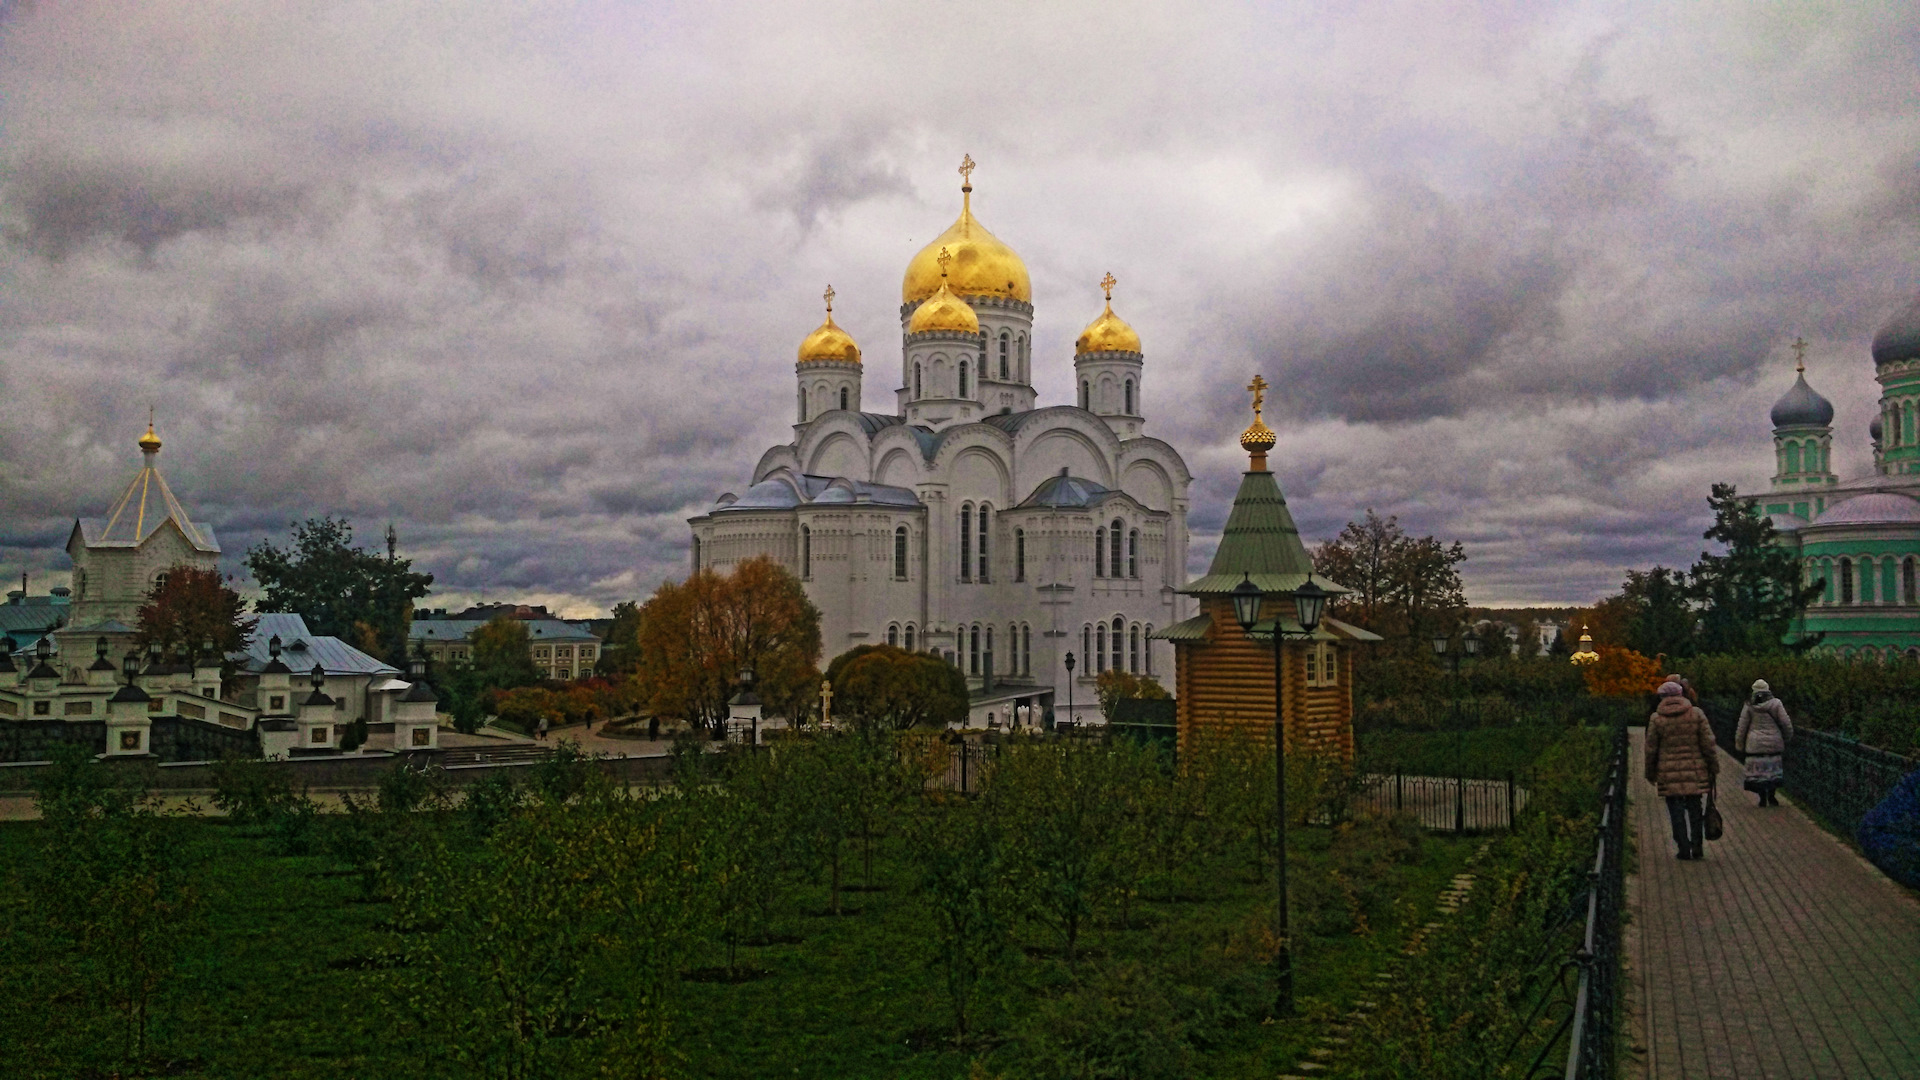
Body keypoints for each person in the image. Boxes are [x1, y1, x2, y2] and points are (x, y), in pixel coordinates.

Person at [1646, 680, 1718, 860]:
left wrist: (1650, 772)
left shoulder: (1657, 719)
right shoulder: (1696, 714)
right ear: (1681, 694)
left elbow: (1651, 749)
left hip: (1668, 770)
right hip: (1694, 769)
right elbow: (1708, 743)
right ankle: (1697, 845)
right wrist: (1713, 765)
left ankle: (1683, 847)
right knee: (1695, 808)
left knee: (1675, 810)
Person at [1736, 679, 1794, 807]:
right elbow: (1786, 723)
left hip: (1755, 743)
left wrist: (1739, 743)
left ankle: (1762, 797)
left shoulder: (1749, 705)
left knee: (1759, 772)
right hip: (1774, 741)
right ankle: (1772, 796)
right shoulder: (1776, 704)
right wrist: (1787, 736)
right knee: (1772, 770)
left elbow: (1742, 726)